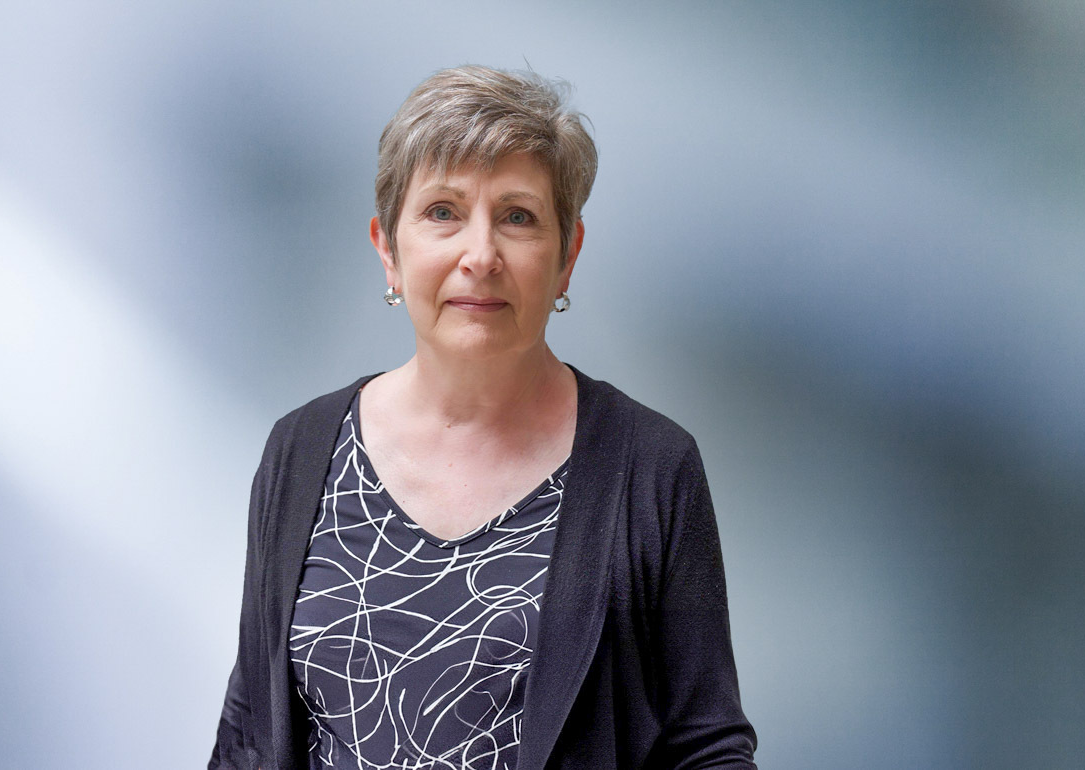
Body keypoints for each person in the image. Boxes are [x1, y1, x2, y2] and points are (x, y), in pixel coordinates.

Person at [210, 65, 756, 769]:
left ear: (567, 256)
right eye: (443, 211)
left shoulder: (651, 468)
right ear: (388, 248)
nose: (481, 256)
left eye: (517, 216)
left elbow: (706, 749)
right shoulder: (301, 449)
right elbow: (248, 737)